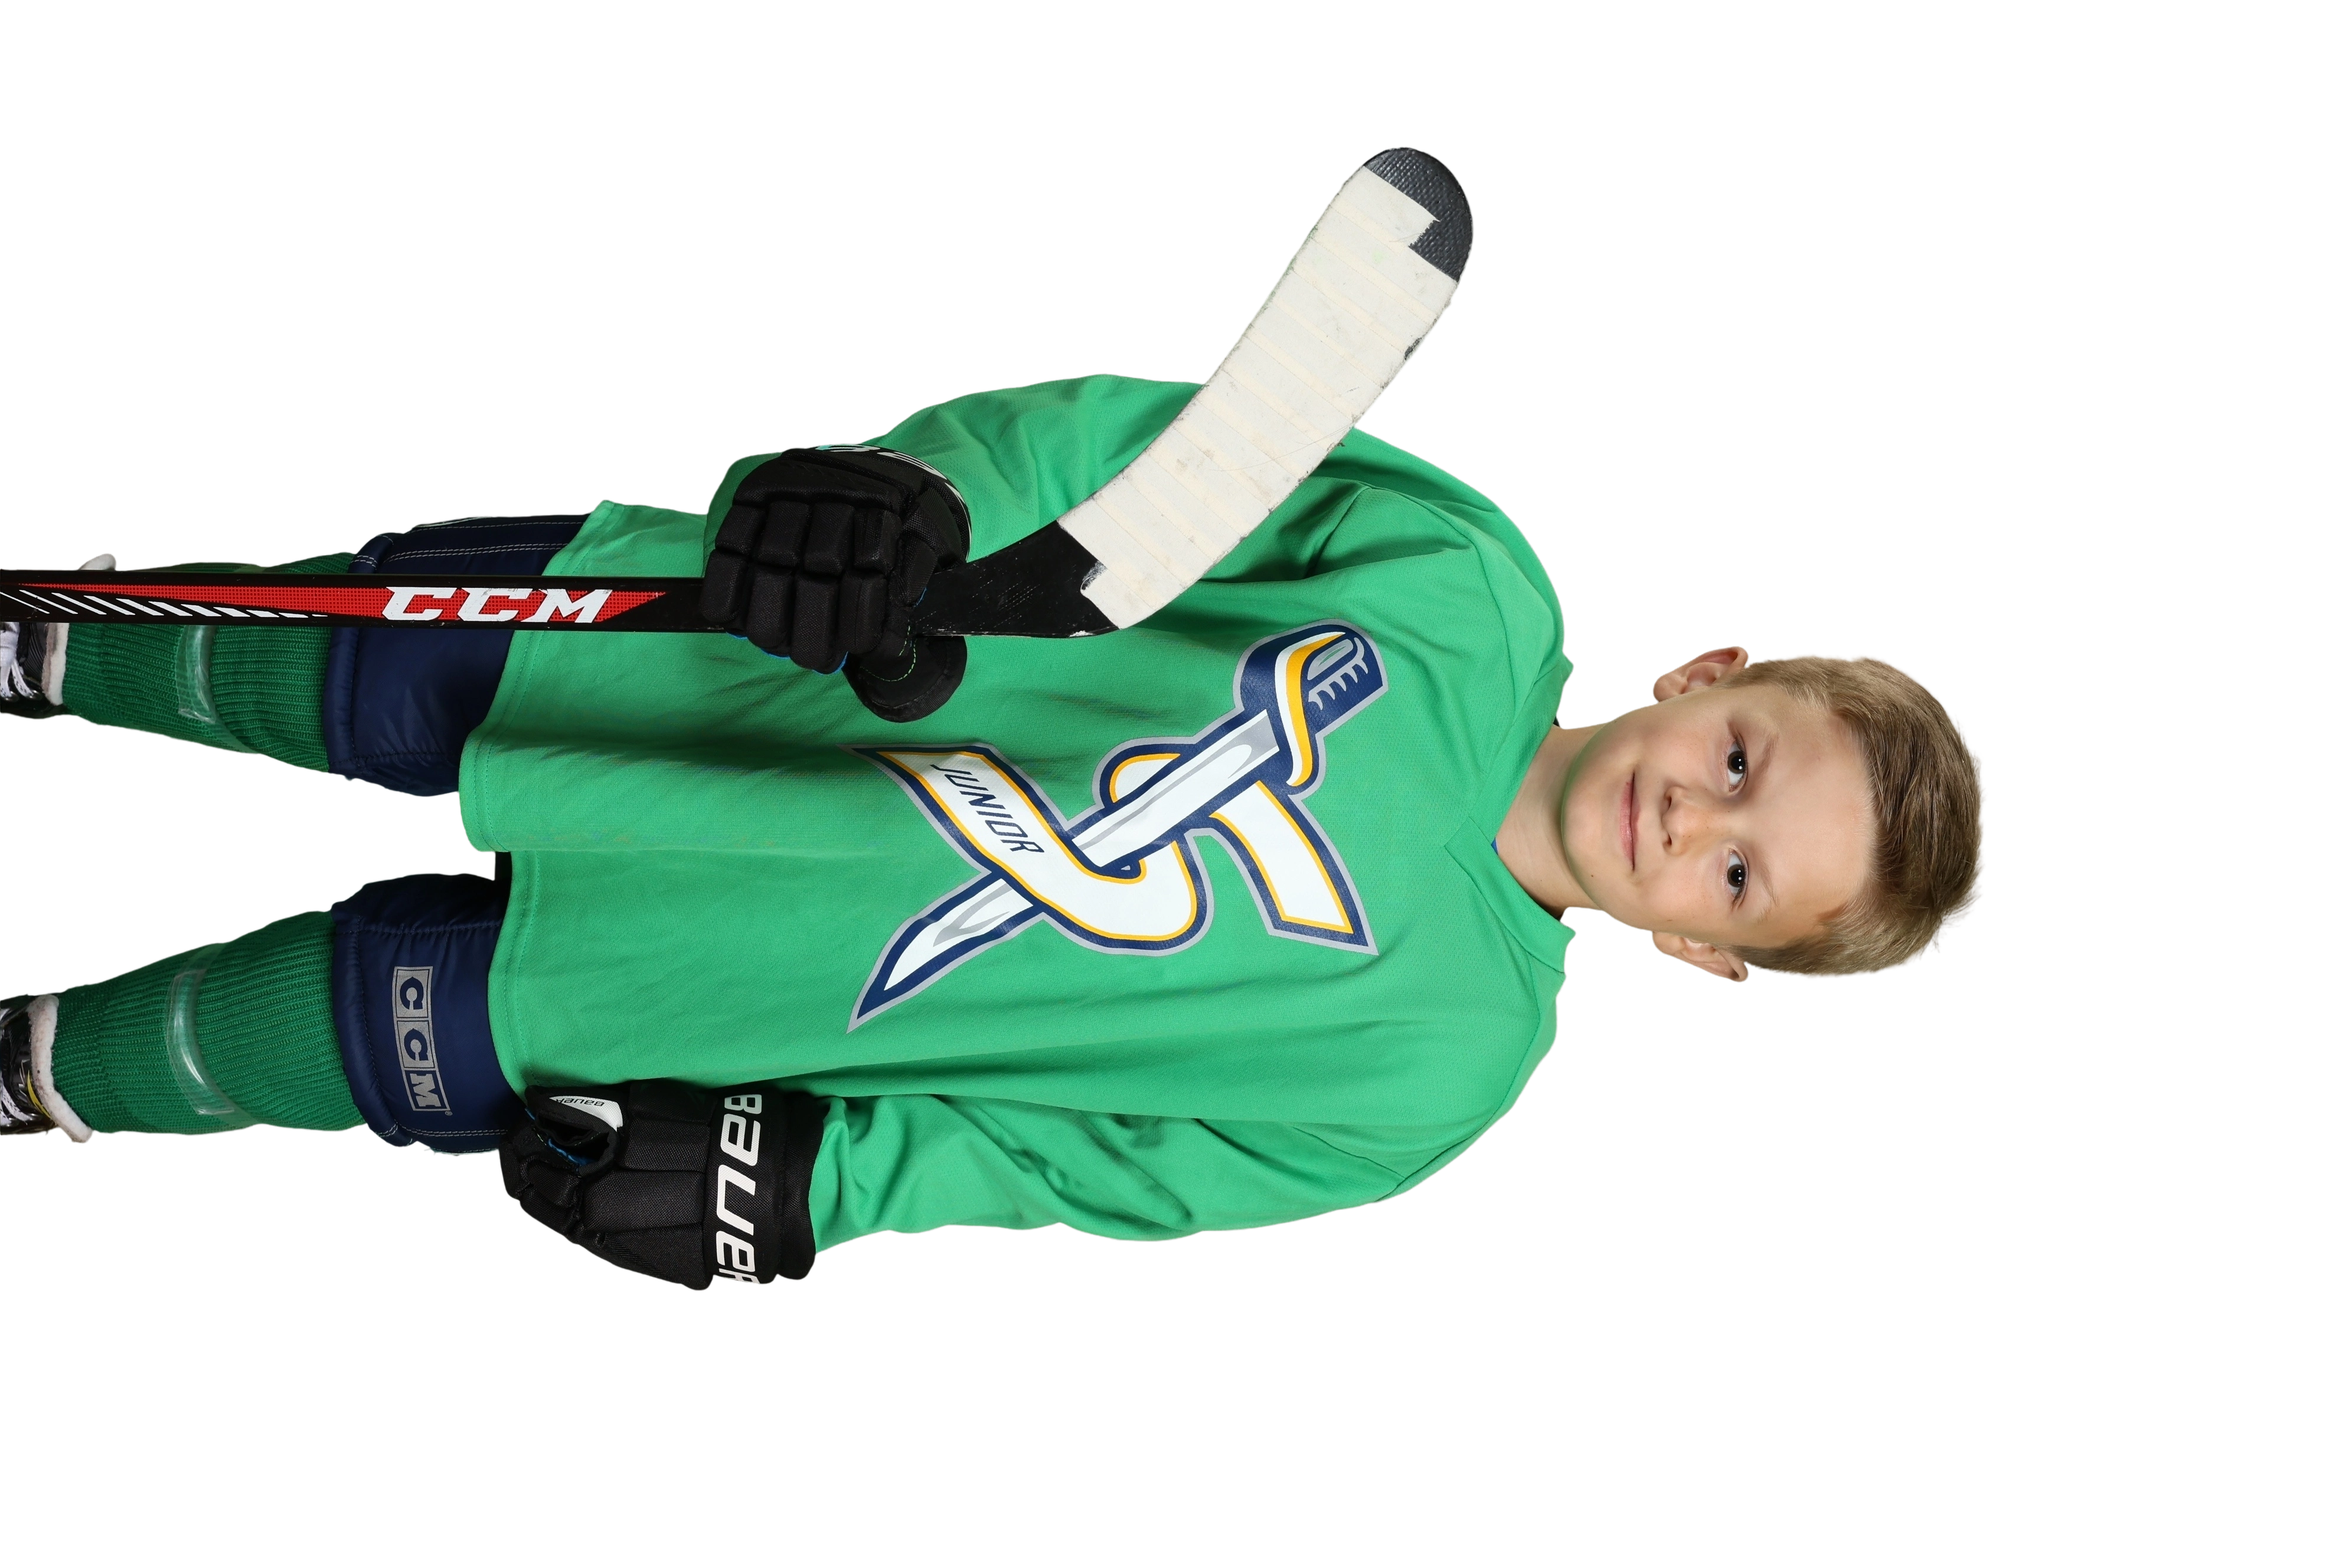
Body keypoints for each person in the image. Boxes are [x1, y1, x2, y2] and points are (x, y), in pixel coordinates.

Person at [0, 372, 1990, 1291]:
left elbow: (1073, 1163)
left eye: (1743, 872)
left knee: (249, 1045)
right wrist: (917, 505)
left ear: (1709, 953)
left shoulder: (1437, 1074)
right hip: (706, 663)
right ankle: (30, 648)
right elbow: (1135, 454)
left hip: (689, 994)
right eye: (1746, 757)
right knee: (266, 661)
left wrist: (805, 1186)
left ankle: (26, 1076)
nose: (1694, 816)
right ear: (1711, 672)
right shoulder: (1466, 583)